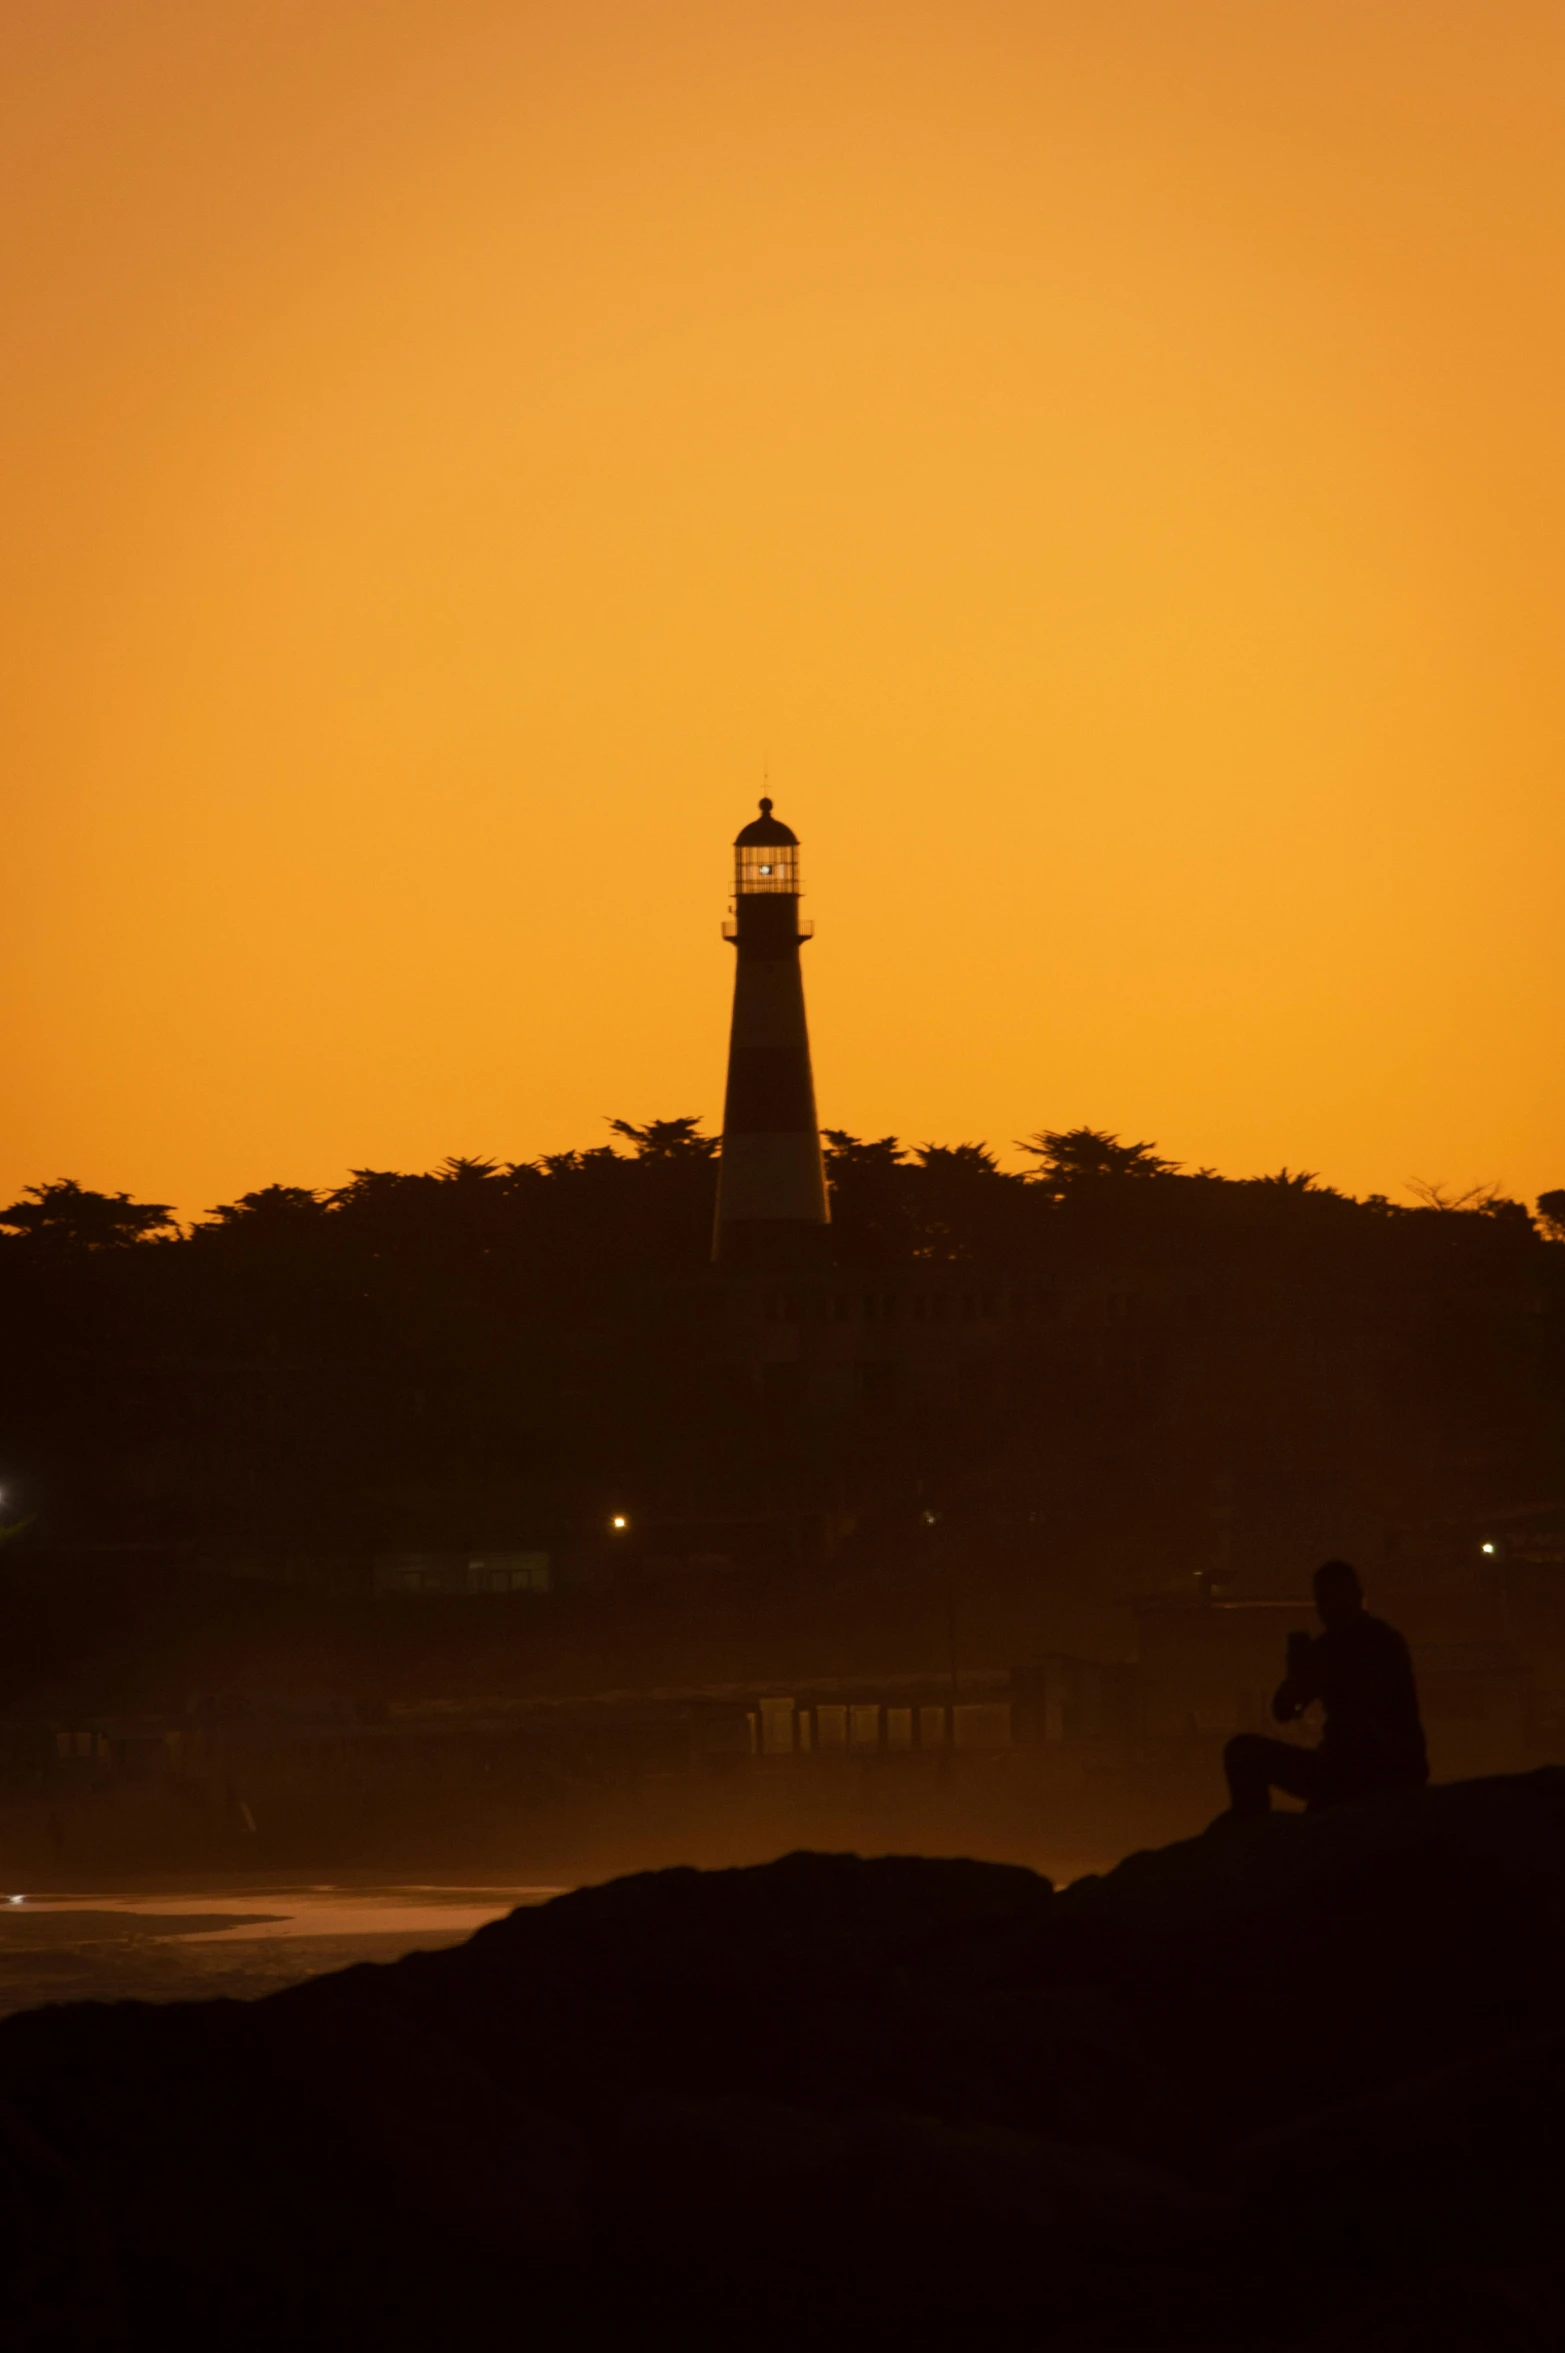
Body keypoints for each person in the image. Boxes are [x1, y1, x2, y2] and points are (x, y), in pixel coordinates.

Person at [1223, 1559, 1427, 1817]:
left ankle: (1251, 1838)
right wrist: (1299, 1675)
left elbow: (1290, 1709)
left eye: (1333, 1598)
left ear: (1356, 1596)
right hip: (1360, 1769)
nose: (1328, 1608)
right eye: (1324, 1600)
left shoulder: (1365, 1644)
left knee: (1243, 1753)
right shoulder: (1354, 1643)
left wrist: (1305, 1674)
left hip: (1368, 1770)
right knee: (1243, 1752)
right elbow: (1285, 1709)